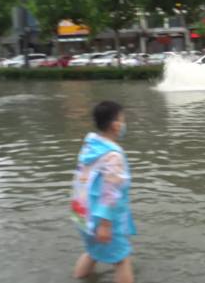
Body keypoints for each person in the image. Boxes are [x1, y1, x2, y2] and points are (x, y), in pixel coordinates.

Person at [71, 101, 136, 283]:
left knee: (92, 252)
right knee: (122, 259)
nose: (124, 125)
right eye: (123, 120)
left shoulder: (91, 144)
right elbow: (110, 193)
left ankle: (79, 278)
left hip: (83, 214)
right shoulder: (113, 155)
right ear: (115, 125)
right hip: (103, 220)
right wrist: (105, 225)